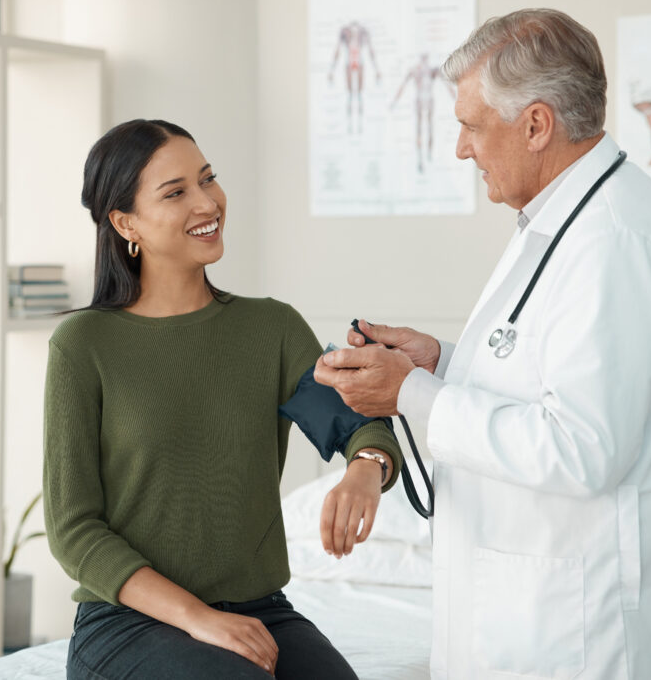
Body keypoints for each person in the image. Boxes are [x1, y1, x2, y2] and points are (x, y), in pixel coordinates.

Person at [315, 9, 651, 680]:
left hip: (581, 631)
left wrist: (409, 392)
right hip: (532, 619)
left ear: (535, 125)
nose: (461, 148)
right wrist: (441, 359)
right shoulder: (562, 220)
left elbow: (583, 447)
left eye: (470, 125)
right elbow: (546, 364)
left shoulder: (613, 239)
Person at [43, 119, 403, 679]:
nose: (207, 202)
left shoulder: (270, 328)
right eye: (176, 192)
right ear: (124, 222)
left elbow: (356, 423)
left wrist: (366, 467)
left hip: (261, 610)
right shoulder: (84, 344)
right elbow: (73, 529)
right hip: (128, 622)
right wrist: (196, 618)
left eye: (208, 179)